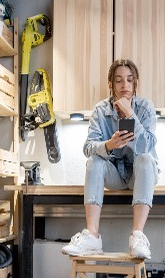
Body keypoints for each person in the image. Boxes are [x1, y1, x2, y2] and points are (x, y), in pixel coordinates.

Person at [62, 59, 159, 259]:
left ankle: (138, 236)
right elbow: (88, 147)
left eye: (130, 80)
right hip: (114, 175)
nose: (125, 86)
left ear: (135, 83)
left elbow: (146, 146)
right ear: (110, 84)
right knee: (94, 160)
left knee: (145, 159)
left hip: (139, 175)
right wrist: (109, 145)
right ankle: (92, 236)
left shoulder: (145, 107)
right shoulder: (100, 110)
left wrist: (130, 114)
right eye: (119, 81)